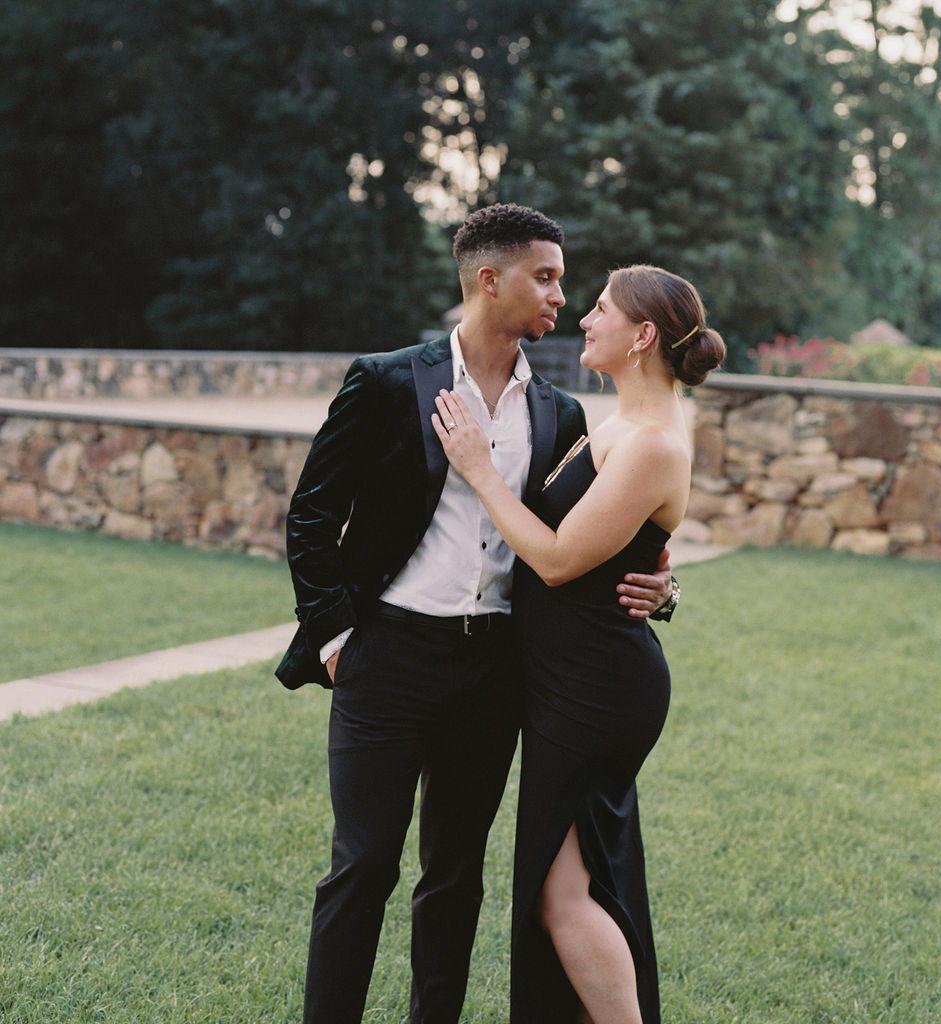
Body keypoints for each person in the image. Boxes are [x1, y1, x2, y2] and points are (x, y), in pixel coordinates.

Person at [275, 205, 678, 1024]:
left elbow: (581, 542)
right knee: (362, 867)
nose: (562, 296)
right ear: (489, 280)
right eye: (546, 277)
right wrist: (337, 637)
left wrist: (664, 588)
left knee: (456, 874)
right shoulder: (388, 380)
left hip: (496, 671)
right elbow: (312, 516)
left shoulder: (560, 413)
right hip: (385, 658)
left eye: (564, 281)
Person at [432, 264, 726, 1024]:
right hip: (565, 679)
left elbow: (560, 560)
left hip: (596, 690)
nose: (584, 319)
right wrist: (666, 587)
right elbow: (629, 555)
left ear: (643, 335)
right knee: (576, 881)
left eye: (601, 309)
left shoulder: (653, 443)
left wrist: (478, 470)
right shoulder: (617, 424)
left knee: (560, 892)